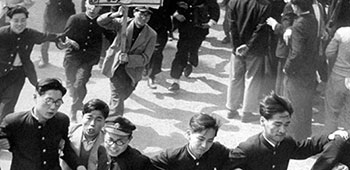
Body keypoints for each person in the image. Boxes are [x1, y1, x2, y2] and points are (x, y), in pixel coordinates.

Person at [225, 91, 349, 170]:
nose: (282, 130)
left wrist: (330, 137)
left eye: (286, 124)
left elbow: (305, 148)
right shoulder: (248, 148)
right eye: (277, 124)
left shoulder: (286, 142)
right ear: (262, 121)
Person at [0, 6, 74, 122]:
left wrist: (64, 39)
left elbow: (47, 36)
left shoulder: (29, 34)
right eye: (16, 20)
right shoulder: (2, 34)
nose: (20, 24)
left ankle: (2, 132)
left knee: (7, 107)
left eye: (23, 20)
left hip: (17, 76)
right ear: (9, 20)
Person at [0, 78, 86, 170]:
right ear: (35, 97)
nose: (53, 107)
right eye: (48, 100)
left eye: (58, 102)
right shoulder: (14, 121)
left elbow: (66, 148)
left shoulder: (62, 120)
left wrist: (78, 166)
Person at [98, 6, 156, 117]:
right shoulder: (123, 23)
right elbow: (101, 21)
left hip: (132, 72)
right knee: (118, 97)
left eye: (147, 15)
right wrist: (116, 14)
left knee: (123, 96)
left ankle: (110, 109)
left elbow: (146, 58)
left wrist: (129, 59)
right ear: (134, 13)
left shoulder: (151, 35)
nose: (143, 18)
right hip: (116, 66)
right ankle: (113, 122)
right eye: (141, 14)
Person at [63, 0, 114, 122]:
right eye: (90, 4)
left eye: (96, 6)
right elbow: (64, 35)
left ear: (100, 7)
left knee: (80, 83)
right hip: (72, 57)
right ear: (85, 4)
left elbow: (111, 37)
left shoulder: (102, 22)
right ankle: (73, 91)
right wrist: (70, 41)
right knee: (71, 81)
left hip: (89, 59)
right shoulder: (75, 18)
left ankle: (74, 108)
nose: (93, 8)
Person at [225, 0, 271, 122]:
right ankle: (247, 112)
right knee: (252, 79)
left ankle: (231, 108)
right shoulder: (264, 6)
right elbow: (260, 29)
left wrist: (237, 46)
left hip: (237, 48)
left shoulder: (233, 2)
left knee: (235, 77)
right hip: (255, 49)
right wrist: (248, 46)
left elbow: (231, 26)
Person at [282, 0, 318, 141]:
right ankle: (304, 136)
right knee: (306, 105)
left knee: (293, 107)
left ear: (297, 6)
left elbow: (296, 53)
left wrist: (287, 68)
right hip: (309, 70)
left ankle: (293, 139)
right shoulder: (312, 19)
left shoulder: (299, 25)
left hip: (297, 73)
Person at [167, 0, 220, 91]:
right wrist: (176, 14)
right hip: (185, 27)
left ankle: (190, 63)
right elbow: (169, 4)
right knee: (181, 52)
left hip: (200, 27)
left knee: (194, 49)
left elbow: (214, 9)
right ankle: (175, 81)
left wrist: (210, 23)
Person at [151, 113, 232, 170]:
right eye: (200, 139)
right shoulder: (172, 156)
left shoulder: (217, 150)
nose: (204, 145)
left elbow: (236, 158)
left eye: (210, 141)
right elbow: (147, 165)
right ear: (189, 134)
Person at [61, 98, 110, 170]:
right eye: (89, 118)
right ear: (82, 117)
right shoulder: (69, 132)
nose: (92, 123)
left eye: (98, 120)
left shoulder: (107, 142)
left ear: (104, 122)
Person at [322, 23, 350, 133]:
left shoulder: (342, 32)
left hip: (338, 76)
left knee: (331, 113)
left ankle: (329, 143)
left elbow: (329, 52)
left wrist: (333, 66)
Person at [144, 0, 177, 89]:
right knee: (145, 48)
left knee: (157, 51)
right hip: (146, 24)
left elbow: (172, 9)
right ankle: (145, 66)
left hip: (162, 26)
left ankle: (152, 76)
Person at [38, 0, 76, 68]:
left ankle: (69, 60)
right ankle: (44, 59)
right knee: (45, 38)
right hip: (51, 10)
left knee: (69, 37)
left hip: (66, 9)